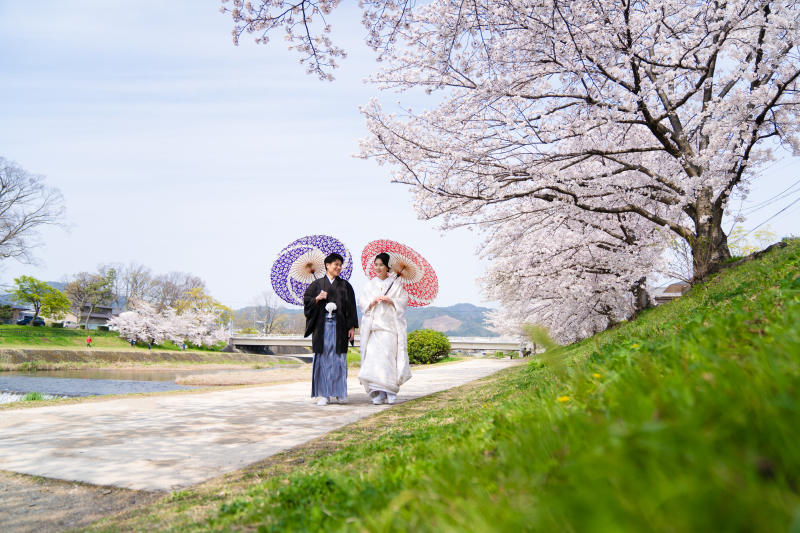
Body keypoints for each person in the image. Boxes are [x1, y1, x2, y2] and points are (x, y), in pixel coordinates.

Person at [303, 252, 358, 406]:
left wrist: (351, 327)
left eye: (340, 265)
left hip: (340, 327)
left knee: (339, 359)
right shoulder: (316, 285)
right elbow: (307, 303)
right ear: (327, 265)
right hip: (322, 328)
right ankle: (324, 395)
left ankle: (339, 392)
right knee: (323, 359)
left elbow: (351, 307)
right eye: (336, 264)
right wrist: (317, 298)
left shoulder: (345, 286)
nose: (339, 267)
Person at [357, 253, 412, 405]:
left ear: (388, 267)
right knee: (374, 360)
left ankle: (390, 390)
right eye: (376, 264)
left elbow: (404, 302)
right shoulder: (369, 285)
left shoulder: (396, 285)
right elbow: (361, 302)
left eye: (381, 264)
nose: (378, 267)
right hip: (374, 328)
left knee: (388, 358)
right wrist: (372, 301)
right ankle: (379, 393)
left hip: (389, 328)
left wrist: (391, 300)